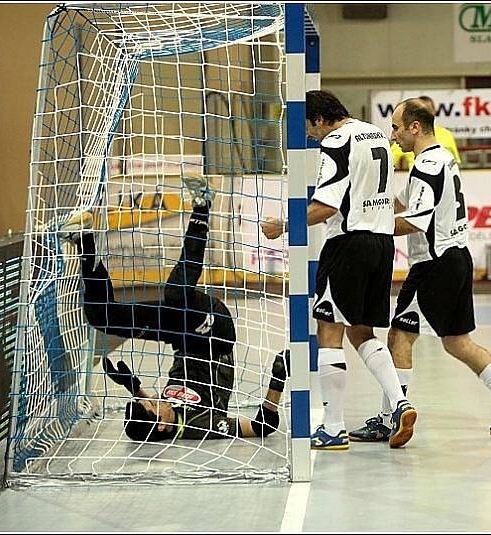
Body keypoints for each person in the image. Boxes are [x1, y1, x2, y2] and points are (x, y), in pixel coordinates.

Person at [349, 98, 491, 443]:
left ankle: (391, 417)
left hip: (433, 265)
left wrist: (369, 226)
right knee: (456, 342)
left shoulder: (428, 165)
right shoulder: (441, 159)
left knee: (399, 338)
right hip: (456, 258)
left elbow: (417, 220)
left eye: (396, 127)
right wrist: (365, 201)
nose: (393, 136)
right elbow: (403, 202)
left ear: (414, 127)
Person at [60, 176, 287, 441]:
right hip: (213, 334)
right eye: (152, 404)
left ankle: (84, 242)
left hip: (181, 335)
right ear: (162, 425)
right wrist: (278, 379)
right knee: (176, 295)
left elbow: (153, 402)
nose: (154, 399)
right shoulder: (202, 424)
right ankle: (202, 204)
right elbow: (263, 426)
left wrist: (133, 386)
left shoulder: (163, 412)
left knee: (103, 318)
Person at [261, 90, 417, 450]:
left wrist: (283, 225)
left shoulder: (335, 141)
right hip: (382, 245)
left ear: (318, 118)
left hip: (348, 245)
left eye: (307, 127)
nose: (309, 136)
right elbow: (389, 198)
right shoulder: (375, 133)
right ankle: (400, 403)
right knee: (362, 332)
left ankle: (332, 428)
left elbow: (325, 206)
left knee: (329, 331)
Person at [391, 95, 461, 170]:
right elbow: (389, 161)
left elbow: (455, 163)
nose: (393, 137)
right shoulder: (404, 136)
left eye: (427, 110)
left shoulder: (447, 135)